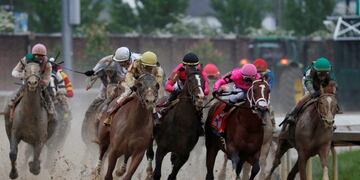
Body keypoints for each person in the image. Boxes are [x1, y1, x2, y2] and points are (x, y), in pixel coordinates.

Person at [104, 51, 164, 126]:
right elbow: (128, 75)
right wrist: (132, 85)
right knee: (126, 94)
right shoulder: (136, 63)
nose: (148, 68)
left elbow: (158, 82)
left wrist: (154, 88)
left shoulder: (158, 69)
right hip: (136, 81)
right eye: (146, 66)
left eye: (150, 67)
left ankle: (156, 116)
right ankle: (112, 112)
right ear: (142, 62)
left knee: (154, 98)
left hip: (150, 83)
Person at [84, 47, 141, 119]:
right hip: (112, 84)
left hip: (132, 84)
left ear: (127, 60)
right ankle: (93, 116)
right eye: (119, 62)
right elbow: (103, 61)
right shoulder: (114, 59)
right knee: (100, 98)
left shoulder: (139, 60)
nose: (119, 64)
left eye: (121, 62)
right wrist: (93, 70)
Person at [8, 43, 55, 120]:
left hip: (40, 83)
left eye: (41, 56)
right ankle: (13, 102)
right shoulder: (26, 59)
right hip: (27, 81)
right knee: (22, 88)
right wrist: (24, 75)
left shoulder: (47, 64)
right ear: (33, 55)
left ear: (44, 56)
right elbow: (14, 72)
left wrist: (42, 82)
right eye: (37, 55)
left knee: (47, 92)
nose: (39, 58)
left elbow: (47, 79)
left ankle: (50, 107)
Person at [212, 64, 261, 135]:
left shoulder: (259, 78)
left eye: (250, 80)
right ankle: (220, 117)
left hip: (252, 91)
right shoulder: (235, 75)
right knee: (237, 96)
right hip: (239, 89)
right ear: (241, 75)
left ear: (255, 76)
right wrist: (216, 89)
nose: (248, 82)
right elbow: (221, 81)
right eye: (246, 79)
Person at [285, 57, 336, 123]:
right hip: (310, 82)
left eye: (325, 73)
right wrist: (313, 92)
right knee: (305, 98)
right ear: (316, 70)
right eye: (320, 73)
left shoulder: (329, 68)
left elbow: (333, 82)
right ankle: (292, 115)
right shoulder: (310, 71)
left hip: (323, 82)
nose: (323, 75)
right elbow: (308, 82)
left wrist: (332, 91)